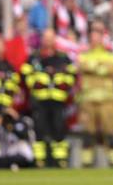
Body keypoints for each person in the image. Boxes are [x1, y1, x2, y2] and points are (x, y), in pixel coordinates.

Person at [21, 28, 76, 167]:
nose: (48, 40)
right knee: (39, 128)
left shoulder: (63, 57)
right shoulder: (34, 57)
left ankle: (60, 160)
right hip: (40, 99)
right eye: (46, 37)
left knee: (59, 128)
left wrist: (63, 84)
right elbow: (24, 74)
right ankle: (39, 160)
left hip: (58, 99)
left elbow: (72, 75)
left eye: (51, 37)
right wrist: (35, 83)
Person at [77, 20, 113, 167]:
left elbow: (112, 69)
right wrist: (100, 68)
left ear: (102, 37)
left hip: (107, 99)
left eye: (97, 36)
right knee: (88, 133)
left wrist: (93, 67)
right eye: (92, 36)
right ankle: (86, 162)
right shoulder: (84, 54)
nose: (94, 39)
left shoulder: (110, 54)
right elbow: (82, 66)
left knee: (110, 132)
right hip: (88, 99)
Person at [0, 107, 35, 172]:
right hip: (5, 153)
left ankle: (2, 165)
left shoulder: (22, 121)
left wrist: (14, 123)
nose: (7, 119)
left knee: (18, 159)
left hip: (19, 151)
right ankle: (7, 165)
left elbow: (24, 135)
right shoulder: (0, 126)